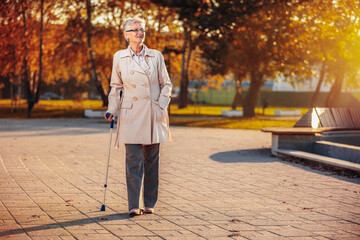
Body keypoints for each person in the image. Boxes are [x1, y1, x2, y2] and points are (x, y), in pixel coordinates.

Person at [104, 18, 172, 216]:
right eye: (134, 30)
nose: (139, 32)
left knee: (151, 161)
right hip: (131, 113)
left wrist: (161, 105)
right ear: (126, 35)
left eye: (141, 29)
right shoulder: (119, 57)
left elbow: (166, 84)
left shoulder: (156, 56)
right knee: (133, 161)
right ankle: (134, 204)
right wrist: (111, 109)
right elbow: (115, 87)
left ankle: (149, 202)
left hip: (152, 113)